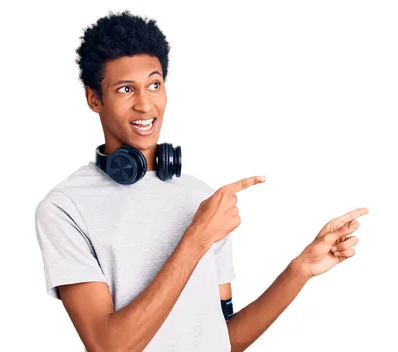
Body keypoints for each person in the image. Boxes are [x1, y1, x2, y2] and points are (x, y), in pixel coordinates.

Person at [34, 10, 368, 352]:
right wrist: (197, 238)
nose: (145, 104)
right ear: (94, 99)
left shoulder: (202, 198)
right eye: (125, 89)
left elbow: (224, 338)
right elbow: (109, 347)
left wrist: (300, 270)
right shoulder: (65, 208)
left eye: (154, 84)